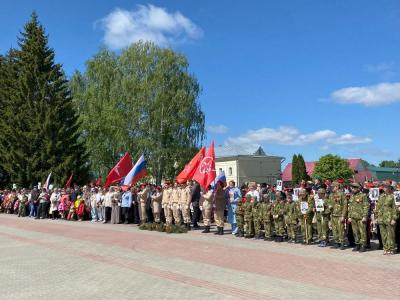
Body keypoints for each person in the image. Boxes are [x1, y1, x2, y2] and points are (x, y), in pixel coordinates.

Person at [375, 183, 397, 255]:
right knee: (383, 234)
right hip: (381, 219)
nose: (384, 188)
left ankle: (391, 248)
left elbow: (395, 208)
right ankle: (385, 248)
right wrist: (376, 217)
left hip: (389, 218)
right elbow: (377, 208)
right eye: (383, 186)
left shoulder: (393, 196)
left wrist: (394, 218)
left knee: (390, 234)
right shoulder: (381, 196)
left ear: (389, 188)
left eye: (386, 186)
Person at [348, 183, 369, 252]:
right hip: (353, 217)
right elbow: (350, 207)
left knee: (362, 231)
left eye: (354, 188)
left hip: (360, 217)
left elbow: (366, 206)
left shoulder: (363, 196)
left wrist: (365, 216)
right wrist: (349, 216)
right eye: (352, 188)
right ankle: (357, 244)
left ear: (358, 188)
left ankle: (363, 245)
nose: (353, 189)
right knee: (355, 232)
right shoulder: (352, 196)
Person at [329, 181, 347, 250]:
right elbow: (329, 203)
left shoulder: (342, 194)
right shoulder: (331, 195)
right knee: (334, 229)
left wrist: (343, 215)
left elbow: (345, 205)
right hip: (333, 214)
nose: (332, 188)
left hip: (339, 215)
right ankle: (336, 242)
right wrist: (329, 206)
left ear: (337, 187)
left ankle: (342, 242)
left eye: (333, 187)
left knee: (341, 229)